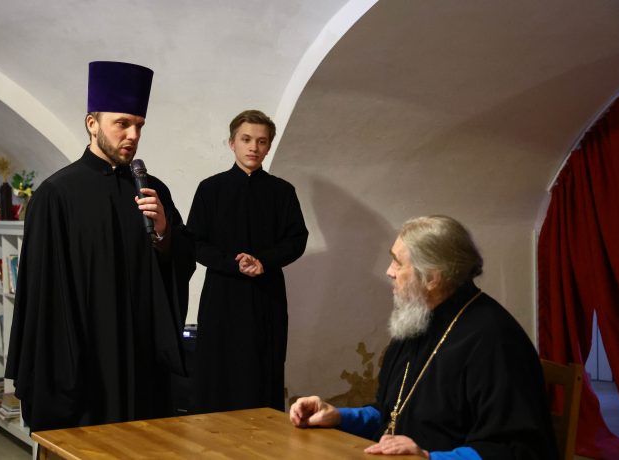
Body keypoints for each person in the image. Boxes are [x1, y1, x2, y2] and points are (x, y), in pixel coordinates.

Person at [5, 61, 195, 432]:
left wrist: (164, 233)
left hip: (143, 360)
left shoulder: (152, 190)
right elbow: (43, 296)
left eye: (139, 125)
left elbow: (180, 264)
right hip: (85, 364)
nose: (132, 135)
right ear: (92, 123)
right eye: (122, 123)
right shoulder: (56, 195)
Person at [290, 215, 558, 459]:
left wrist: (429, 457)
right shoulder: (416, 319)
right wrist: (339, 416)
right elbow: (391, 414)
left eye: (397, 262)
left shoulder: (495, 340)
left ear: (432, 278)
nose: (389, 271)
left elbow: (518, 450)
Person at [187, 110, 308, 413]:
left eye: (261, 141)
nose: (253, 147)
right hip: (222, 295)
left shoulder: (282, 191)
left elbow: (297, 239)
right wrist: (233, 263)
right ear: (232, 143)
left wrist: (263, 261)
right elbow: (194, 242)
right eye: (246, 139)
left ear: (268, 147)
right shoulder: (210, 189)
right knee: (219, 368)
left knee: (263, 367)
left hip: (266, 296)